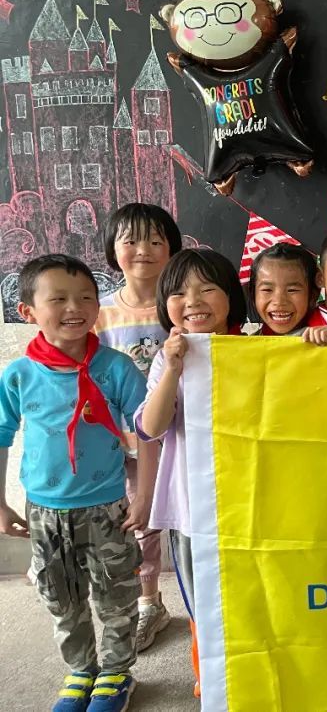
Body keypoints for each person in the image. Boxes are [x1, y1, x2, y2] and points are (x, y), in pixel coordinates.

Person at [0, 254, 147, 712]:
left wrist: (145, 496)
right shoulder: (18, 375)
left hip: (108, 508)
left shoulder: (117, 368)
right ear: (27, 311)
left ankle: (117, 673)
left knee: (116, 594)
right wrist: (0, 503)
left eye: (86, 297)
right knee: (60, 597)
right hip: (44, 511)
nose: (75, 308)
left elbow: (148, 434)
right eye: (59, 299)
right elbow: (1, 435)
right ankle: (81, 670)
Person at [132, 249, 249, 697]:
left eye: (207, 289)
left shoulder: (255, 349)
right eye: (179, 292)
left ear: (231, 297)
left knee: (250, 600)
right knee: (206, 607)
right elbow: (150, 427)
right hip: (193, 510)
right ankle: (213, 684)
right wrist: (173, 370)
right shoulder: (170, 358)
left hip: (248, 506)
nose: (193, 300)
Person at [97, 203, 183, 653]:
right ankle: (149, 601)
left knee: (186, 521)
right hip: (126, 442)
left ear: (171, 248)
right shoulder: (100, 313)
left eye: (154, 240)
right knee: (140, 522)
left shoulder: (180, 306)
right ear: (113, 250)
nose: (143, 249)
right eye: (130, 240)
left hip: (180, 435)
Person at [249, 243, 318, 336]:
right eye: (267, 290)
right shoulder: (244, 344)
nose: (279, 302)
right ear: (253, 295)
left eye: (292, 290)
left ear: (313, 296)